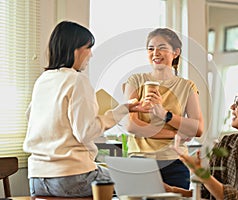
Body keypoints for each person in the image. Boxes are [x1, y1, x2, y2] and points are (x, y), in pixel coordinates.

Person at [23, 21, 149, 197]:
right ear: (75, 49)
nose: (91, 55)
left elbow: (32, 118)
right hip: (71, 177)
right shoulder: (77, 80)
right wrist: (116, 114)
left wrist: (124, 109)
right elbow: (86, 132)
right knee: (139, 179)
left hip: (37, 180)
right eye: (88, 48)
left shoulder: (43, 80)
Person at [123, 28, 204, 190]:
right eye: (151, 48)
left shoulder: (186, 86)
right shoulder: (135, 81)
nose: (155, 53)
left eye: (162, 47)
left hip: (175, 163)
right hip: (140, 161)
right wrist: (175, 133)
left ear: (176, 52)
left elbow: (198, 128)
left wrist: (165, 115)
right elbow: (132, 126)